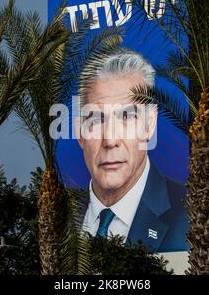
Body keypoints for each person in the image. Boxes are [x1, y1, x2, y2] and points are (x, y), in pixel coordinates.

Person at [76, 49, 188, 252]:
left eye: (126, 117)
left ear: (150, 124)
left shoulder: (193, 217)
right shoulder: (54, 219)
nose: (110, 140)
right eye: (96, 119)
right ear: (79, 131)